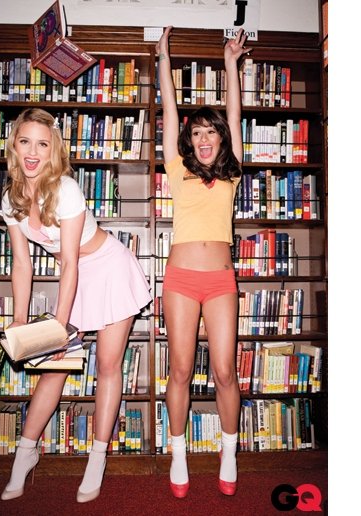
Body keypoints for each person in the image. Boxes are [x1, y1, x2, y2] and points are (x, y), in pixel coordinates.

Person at [0, 107, 151, 503]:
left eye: (42, 144)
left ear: (53, 150)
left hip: (108, 269)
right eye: (25, 142)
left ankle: (97, 458)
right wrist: (19, 320)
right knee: (53, 372)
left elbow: (69, 262)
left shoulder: (65, 189)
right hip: (76, 276)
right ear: (14, 146)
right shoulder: (10, 198)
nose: (33, 152)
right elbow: (22, 263)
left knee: (107, 366)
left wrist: (59, 329)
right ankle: (25, 454)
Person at [155, 27, 251, 498]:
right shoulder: (177, 170)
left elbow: (235, 114)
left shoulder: (232, 173)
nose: (204, 138)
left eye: (210, 131)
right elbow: (170, 110)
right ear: (189, 142)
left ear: (220, 139)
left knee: (225, 372)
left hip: (220, 280)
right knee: (179, 370)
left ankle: (228, 454)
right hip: (180, 279)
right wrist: (163, 56)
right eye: (196, 133)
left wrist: (230, 62)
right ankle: (178, 455)